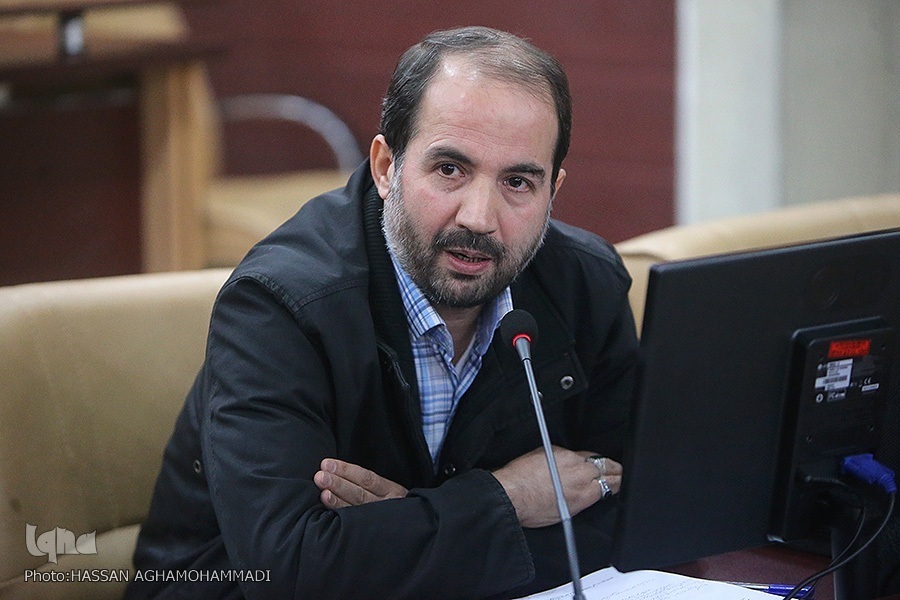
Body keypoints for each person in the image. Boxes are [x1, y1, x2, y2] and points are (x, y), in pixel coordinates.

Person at [128, 25, 639, 600]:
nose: (479, 217)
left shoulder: (585, 284)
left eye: (518, 182)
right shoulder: (280, 305)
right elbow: (290, 571)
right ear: (385, 166)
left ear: (553, 192)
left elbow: (634, 518)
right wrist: (506, 500)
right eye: (450, 170)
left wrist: (409, 522)